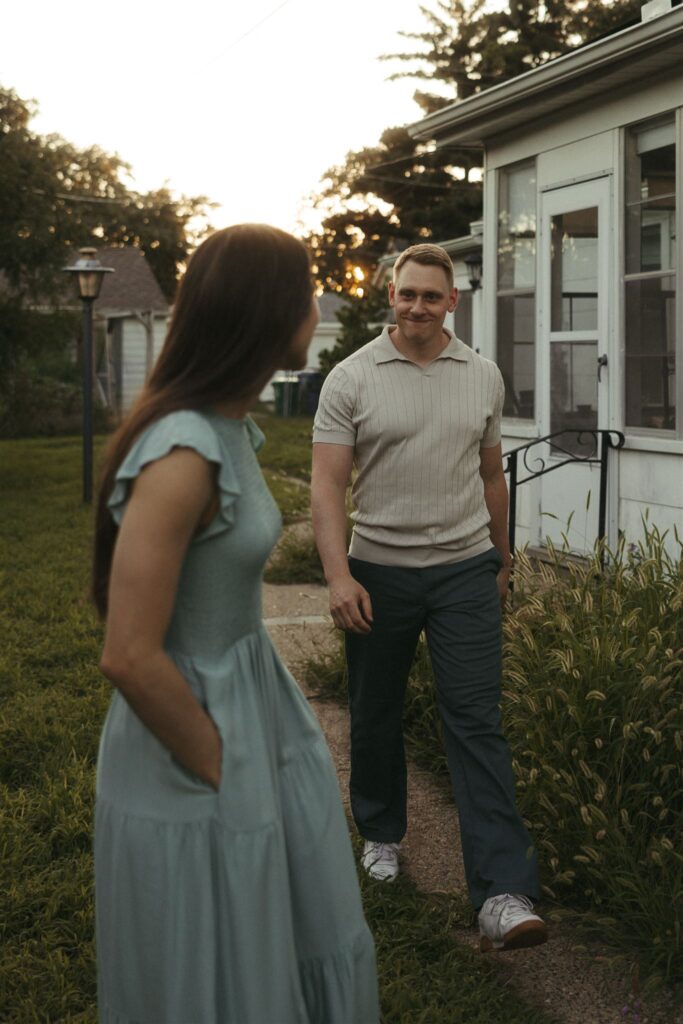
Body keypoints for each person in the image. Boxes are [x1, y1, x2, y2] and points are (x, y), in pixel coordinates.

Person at [92, 224, 379, 1023]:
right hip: (193, 739)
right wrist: (219, 762)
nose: (313, 308)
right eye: (305, 292)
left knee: (293, 934)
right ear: (263, 310)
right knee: (218, 975)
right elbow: (127, 652)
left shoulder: (230, 429)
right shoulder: (183, 450)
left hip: (252, 708)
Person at [311, 242, 548, 953]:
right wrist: (337, 574)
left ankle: (503, 892)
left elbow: (490, 477)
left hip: (463, 572)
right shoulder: (351, 378)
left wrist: (500, 560)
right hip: (376, 572)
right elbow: (325, 486)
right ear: (391, 296)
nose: (417, 306)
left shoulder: (481, 376)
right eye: (406, 293)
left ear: (452, 301)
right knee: (375, 710)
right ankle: (381, 833)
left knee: (475, 719)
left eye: (431, 296)